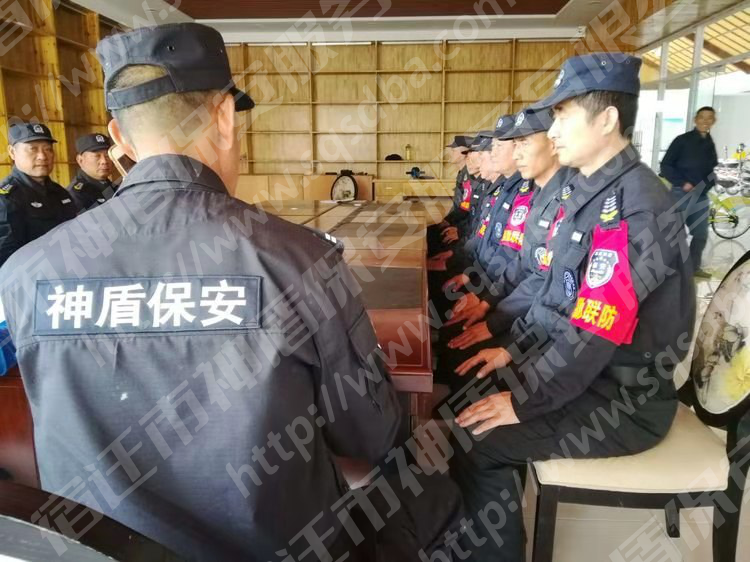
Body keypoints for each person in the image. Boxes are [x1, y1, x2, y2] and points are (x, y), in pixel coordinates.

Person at [0, 23, 460, 561]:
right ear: (224, 117)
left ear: (119, 138)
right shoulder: (299, 261)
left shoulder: (26, 272)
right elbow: (370, 433)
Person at [446, 53, 695, 561]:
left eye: (562, 115)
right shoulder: (591, 193)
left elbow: (592, 333)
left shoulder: (634, 208)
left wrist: (523, 401)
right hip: (586, 375)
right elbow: (554, 293)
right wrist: (511, 351)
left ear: (606, 119)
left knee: (477, 443)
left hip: (623, 401)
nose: (552, 130)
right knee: (462, 393)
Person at [437, 107, 574, 391]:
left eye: (522, 143)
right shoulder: (537, 195)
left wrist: (499, 324)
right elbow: (521, 263)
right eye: (515, 144)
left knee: (461, 361)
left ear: (553, 143)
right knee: (452, 342)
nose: (515, 152)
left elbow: (547, 285)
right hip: (523, 314)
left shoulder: (567, 200)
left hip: (550, 336)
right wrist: (486, 301)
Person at [0, 122, 78, 265]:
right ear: (12, 152)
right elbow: (5, 259)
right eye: (33, 149)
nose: (42, 156)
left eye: (48, 149)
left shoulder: (61, 194)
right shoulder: (6, 198)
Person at [660, 106, 718, 277]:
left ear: (713, 121)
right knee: (675, 233)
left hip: (701, 196)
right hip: (681, 194)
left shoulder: (709, 143)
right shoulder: (682, 140)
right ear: (695, 119)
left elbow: (711, 168)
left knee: (701, 234)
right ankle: (667, 269)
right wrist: (682, 183)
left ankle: (693, 268)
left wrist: (709, 184)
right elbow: (666, 165)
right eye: (702, 117)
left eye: (709, 118)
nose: (705, 121)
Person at [428, 135, 472, 256]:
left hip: (463, 227)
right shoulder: (462, 173)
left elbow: (467, 209)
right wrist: (447, 220)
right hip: (458, 223)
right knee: (427, 232)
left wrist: (453, 225)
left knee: (430, 239)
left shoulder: (470, 175)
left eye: (453, 150)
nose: (451, 153)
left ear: (463, 153)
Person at [67, 133, 118, 211]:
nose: (104, 161)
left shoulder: (114, 187)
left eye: (107, 155)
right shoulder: (76, 194)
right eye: (97, 156)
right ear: (80, 160)